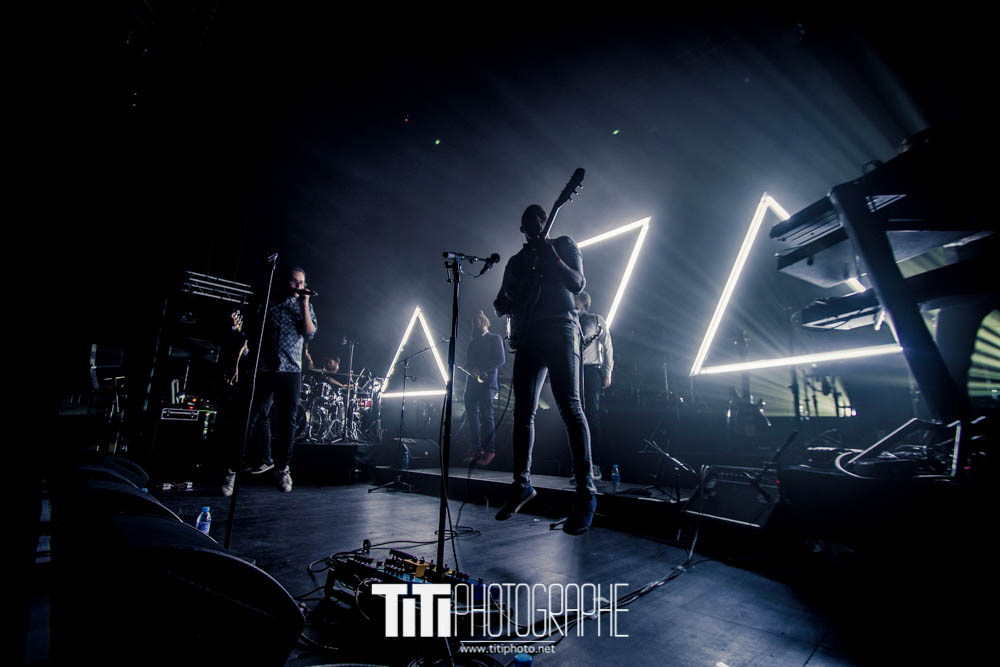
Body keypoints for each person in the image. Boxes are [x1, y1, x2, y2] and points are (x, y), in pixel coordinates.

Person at [493, 204, 596, 535]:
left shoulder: (563, 244)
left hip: (561, 327)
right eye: (529, 222)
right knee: (522, 413)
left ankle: (586, 494)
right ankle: (521, 485)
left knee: (570, 407)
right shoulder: (517, 261)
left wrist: (552, 257)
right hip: (529, 336)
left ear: (546, 220)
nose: (536, 223)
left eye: (539, 218)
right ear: (523, 229)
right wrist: (510, 300)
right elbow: (500, 302)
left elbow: (578, 283)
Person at [222, 266, 317, 494]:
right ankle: (231, 471)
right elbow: (246, 335)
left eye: (302, 282)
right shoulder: (266, 304)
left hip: (291, 371)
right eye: (294, 281)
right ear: (285, 282)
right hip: (263, 369)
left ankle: (282, 468)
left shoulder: (305, 306)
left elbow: (309, 333)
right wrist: (237, 364)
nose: (299, 286)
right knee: (248, 418)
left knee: (288, 422)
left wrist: (304, 304)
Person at [575, 291, 614, 480]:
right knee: (575, 417)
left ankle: (595, 464)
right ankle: (579, 466)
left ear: (583, 301)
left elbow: (608, 346)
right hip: (574, 372)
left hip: (591, 371)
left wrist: (607, 372)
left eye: (575, 297)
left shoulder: (595, 319)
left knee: (591, 415)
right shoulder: (568, 319)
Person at [462, 310, 506, 466]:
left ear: (485, 323)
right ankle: (477, 448)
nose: (476, 326)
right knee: (471, 414)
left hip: (488, 383)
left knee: (487, 416)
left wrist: (481, 369)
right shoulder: (473, 343)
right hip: (472, 381)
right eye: (475, 324)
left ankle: (490, 450)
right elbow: (469, 361)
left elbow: (500, 360)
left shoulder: (495, 338)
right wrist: (470, 368)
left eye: (478, 323)